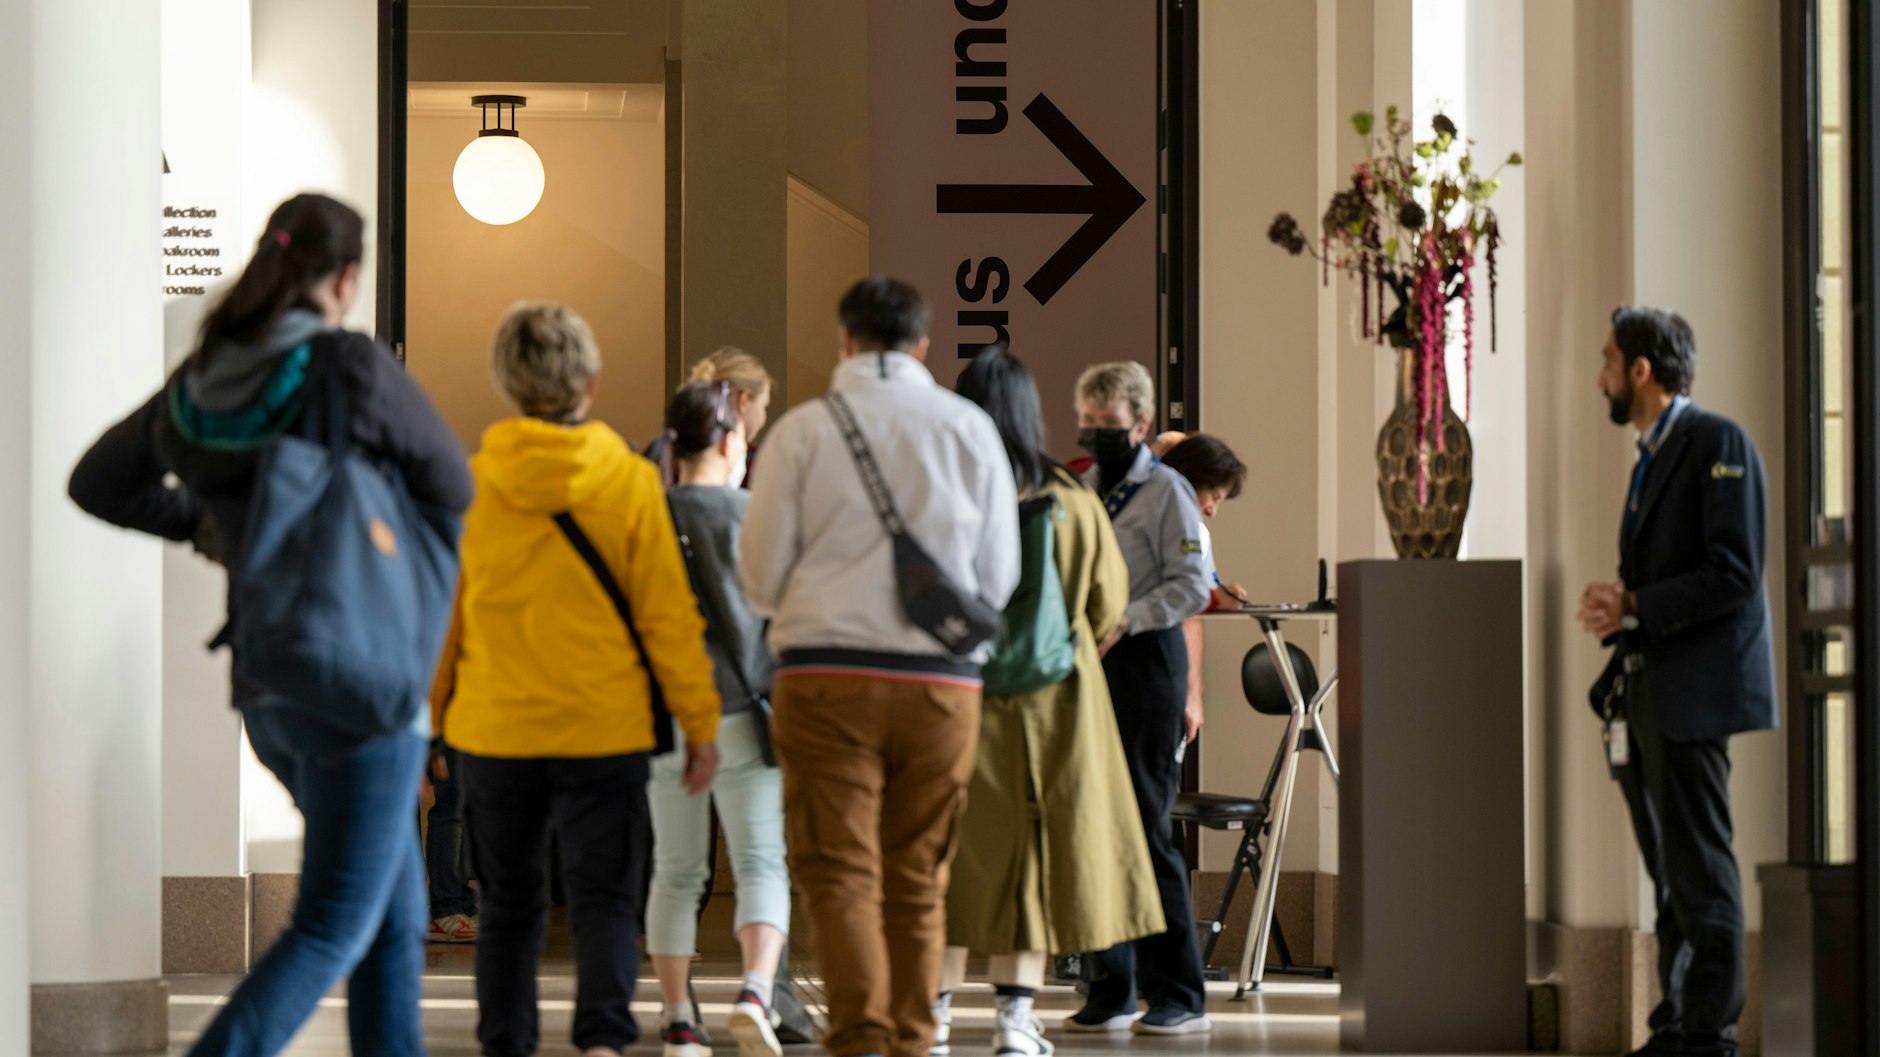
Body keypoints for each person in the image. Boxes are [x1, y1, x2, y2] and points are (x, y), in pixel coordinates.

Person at [68, 193, 474, 1057]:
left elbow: (98, 481)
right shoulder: (348, 367)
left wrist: (213, 526)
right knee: (329, 926)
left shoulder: (204, 381)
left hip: (274, 683)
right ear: (347, 276)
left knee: (395, 924)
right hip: (364, 688)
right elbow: (451, 483)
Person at [740, 276, 1020, 1057]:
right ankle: (913, 1038)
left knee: (838, 870)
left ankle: (861, 1041)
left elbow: (760, 579)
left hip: (823, 677)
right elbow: (997, 578)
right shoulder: (968, 429)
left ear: (845, 339)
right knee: (920, 874)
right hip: (939, 685)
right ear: (924, 344)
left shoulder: (801, 433)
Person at [434, 301, 722, 1057]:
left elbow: (444, 623)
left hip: (495, 732)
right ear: (589, 385)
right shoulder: (628, 483)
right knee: (603, 900)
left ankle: (509, 1045)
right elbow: (668, 616)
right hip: (605, 728)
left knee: (506, 907)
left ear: (506, 384)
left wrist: (428, 726)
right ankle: (600, 1043)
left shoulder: (473, 486)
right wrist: (699, 722)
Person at [935, 348, 1165, 1057]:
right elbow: (1107, 605)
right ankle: (1014, 1020)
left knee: (945, 858)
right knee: (1032, 860)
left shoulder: (946, 490)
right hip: (1055, 707)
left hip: (956, 702)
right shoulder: (1070, 496)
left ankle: (934, 1015)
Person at [1580, 306, 1776, 1057]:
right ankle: (1678, 1023)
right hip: (1653, 691)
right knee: (1670, 873)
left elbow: (1734, 571)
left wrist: (1633, 603)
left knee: (1702, 867)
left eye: (1607, 360)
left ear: (1641, 369)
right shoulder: (1652, 457)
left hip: (1698, 696)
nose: (1600, 376)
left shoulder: (1717, 443)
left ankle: (1710, 1034)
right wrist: (1622, 618)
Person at [1066, 361, 1214, 1037]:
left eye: (1110, 425)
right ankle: (1111, 982)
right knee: (1094, 826)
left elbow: (1194, 583)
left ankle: (1177, 987)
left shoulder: (1169, 493)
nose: (1097, 435)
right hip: (1089, 666)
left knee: (1148, 830)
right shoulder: (1083, 489)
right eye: (1088, 423)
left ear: (1142, 424)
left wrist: (1127, 615)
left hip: (1147, 662)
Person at [648, 381, 792, 1057]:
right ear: (734, 441)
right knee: (762, 860)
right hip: (743, 711)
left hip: (665, 714)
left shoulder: (644, 518)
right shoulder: (754, 517)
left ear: (673, 446)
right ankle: (755, 993)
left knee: (675, 869)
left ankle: (679, 1019)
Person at [1159, 433, 1252, 747]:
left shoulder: (1194, 531)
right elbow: (1190, 606)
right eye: (1214, 496)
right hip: (1153, 668)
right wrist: (1192, 695)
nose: (1212, 510)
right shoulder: (1179, 527)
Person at [646, 347, 774, 485]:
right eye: (764, 406)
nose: (763, 420)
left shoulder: (668, 457)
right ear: (743, 401)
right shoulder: (759, 467)